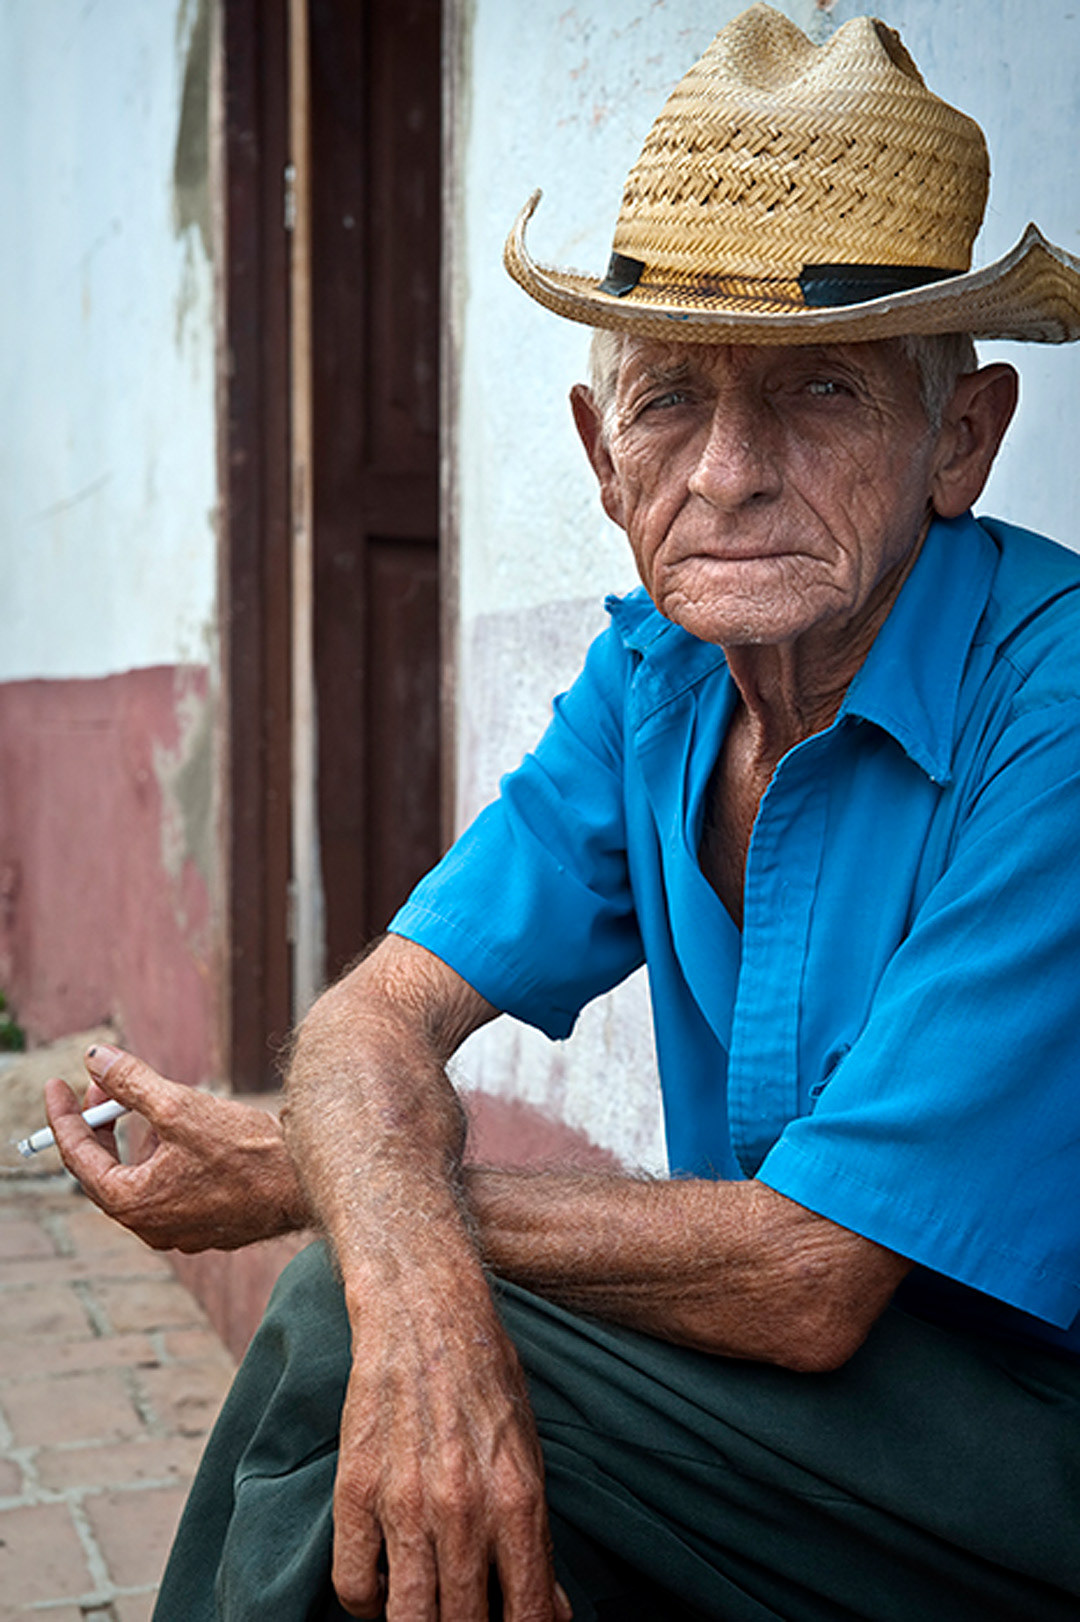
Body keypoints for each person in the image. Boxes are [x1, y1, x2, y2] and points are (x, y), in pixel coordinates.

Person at [44, 7, 1080, 1619]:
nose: (729, 470)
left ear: (960, 436)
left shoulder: (1057, 706)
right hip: (807, 1432)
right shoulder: (660, 681)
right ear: (603, 454)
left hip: (1029, 1456)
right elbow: (372, 1020)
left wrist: (323, 1184)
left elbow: (810, 1275)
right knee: (397, 1351)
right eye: (672, 398)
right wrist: (380, 1225)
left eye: (820, 390)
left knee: (357, 1320)